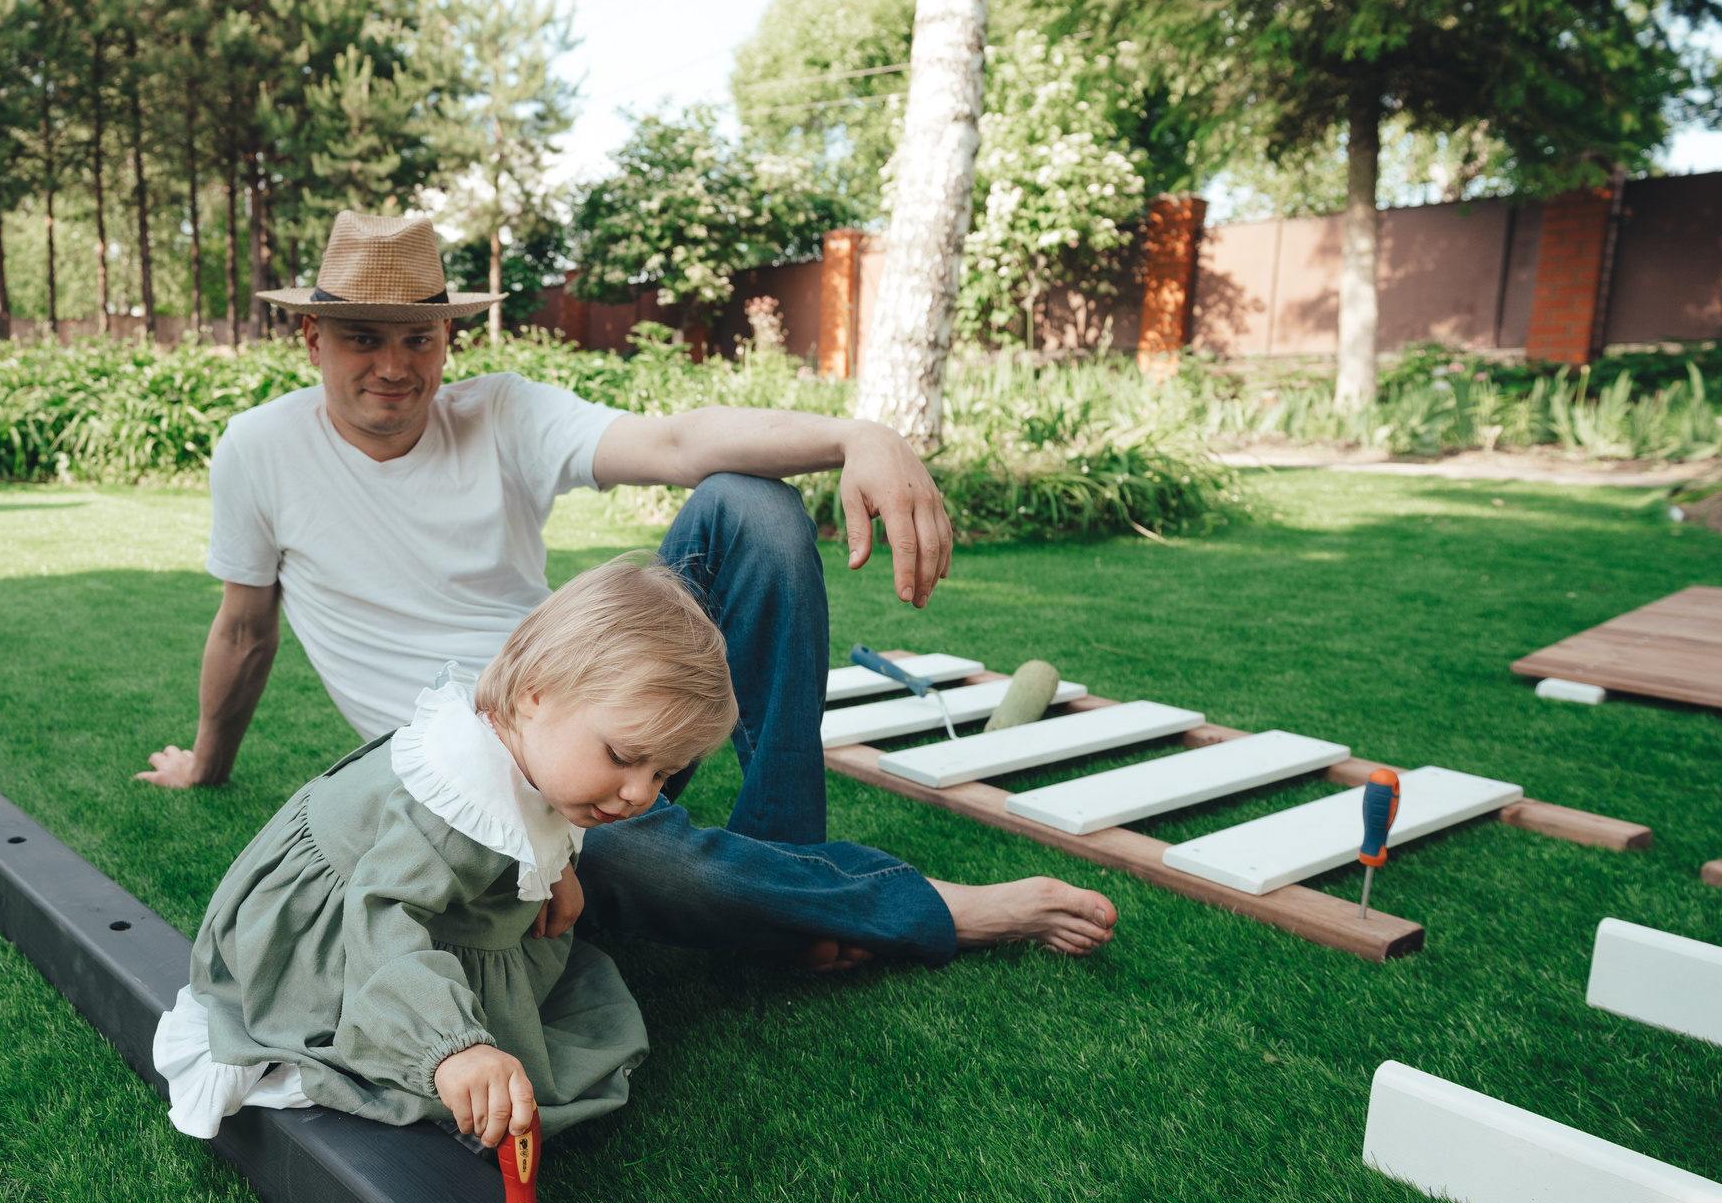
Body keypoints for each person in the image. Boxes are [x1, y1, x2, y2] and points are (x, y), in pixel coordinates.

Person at [139, 210, 1115, 966]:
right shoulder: (259, 450)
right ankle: (907, 910)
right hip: (469, 773)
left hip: (596, 707)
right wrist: (207, 763)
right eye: (363, 338)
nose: (395, 368)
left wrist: (858, 436)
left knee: (751, 507)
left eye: (420, 340)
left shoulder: (500, 414)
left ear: (448, 340)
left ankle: (779, 856)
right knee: (621, 854)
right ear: (311, 336)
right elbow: (245, 630)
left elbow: (679, 441)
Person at [152, 557, 738, 1147]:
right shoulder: (451, 806)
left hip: (399, 908)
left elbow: (526, 814)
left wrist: (552, 865)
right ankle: (415, 1026)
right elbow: (382, 914)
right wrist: (453, 1048)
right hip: (345, 940)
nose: (641, 793)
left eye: (663, 772)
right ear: (535, 694)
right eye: (623, 756)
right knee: (500, 1076)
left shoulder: (525, 744)